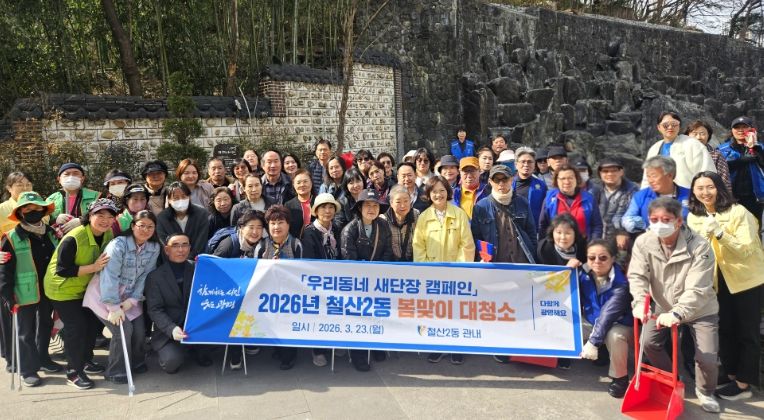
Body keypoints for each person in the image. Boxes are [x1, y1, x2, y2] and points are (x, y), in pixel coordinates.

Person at [629, 197, 720, 413]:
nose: (659, 224)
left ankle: (705, 391)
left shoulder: (699, 245)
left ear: (679, 221)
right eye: (654, 220)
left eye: (666, 219)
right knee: (648, 343)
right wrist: (640, 302)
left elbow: (698, 287)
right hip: (662, 304)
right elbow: (637, 275)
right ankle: (671, 379)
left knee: (707, 357)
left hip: (700, 308)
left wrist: (678, 313)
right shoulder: (643, 242)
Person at [686, 171, 764, 401]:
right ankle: (731, 373)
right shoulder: (694, 217)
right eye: (700, 188)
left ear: (719, 188)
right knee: (725, 329)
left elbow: (747, 248)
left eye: (710, 187)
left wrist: (721, 234)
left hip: (746, 279)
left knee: (747, 332)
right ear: (693, 192)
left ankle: (744, 384)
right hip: (716, 281)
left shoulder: (738, 212)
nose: (705, 192)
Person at [44, 198, 118, 390]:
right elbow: (62, 270)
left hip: (85, 288)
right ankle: (73, 372)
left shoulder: (108, 233)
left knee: (92, 325)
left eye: (110, 216)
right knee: (76, 328)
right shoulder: (74, 237)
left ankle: (85, 360)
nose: (105, 220)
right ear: (89, 216)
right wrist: (94, 267)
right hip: (62, 289)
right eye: (100, 215)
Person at [82, 210, 160, 384]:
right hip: (104, 295)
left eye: (150, 227)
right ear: (132, 226)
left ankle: (136, 362)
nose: (145, 230)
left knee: (139, 331)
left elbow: (146, 275)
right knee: (123, 330)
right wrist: (113, 307)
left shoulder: (154, 247)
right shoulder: (118, 245)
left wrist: (133, 300)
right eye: (141, 225)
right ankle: (116, 370)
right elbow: (109, 276)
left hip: (130, 296)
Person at [0, 192, 62, 386]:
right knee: (25, 331)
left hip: (48, 289)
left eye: (37, 208)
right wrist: (8, 296)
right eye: (27, 209)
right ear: (20, 213)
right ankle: (28, 369)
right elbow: (4, 271)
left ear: (43, 210)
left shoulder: (51, 233)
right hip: (23, 291)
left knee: (45, 325)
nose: (33, 211)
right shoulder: (11, 237)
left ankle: (43, 358)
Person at [413, 176, 475, 365]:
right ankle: (437, 346)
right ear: (428, 194)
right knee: (435, 312)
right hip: (432, 275)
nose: (438, 194)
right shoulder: (424, 217)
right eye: (434, 191)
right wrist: (427, 270)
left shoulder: (459, 214)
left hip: (456, 274)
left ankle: (457, 347)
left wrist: (458, 269)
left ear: (448, 192)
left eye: (442, 190)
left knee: (456, 311)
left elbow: (467, 245)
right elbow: (418, 246)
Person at [340, 189, 393, 371]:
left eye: (375, 205)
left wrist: (378, 271)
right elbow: (349, 258)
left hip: (377, 280)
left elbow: (388, 251)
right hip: (357, 282)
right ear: (359, 208)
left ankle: (376, 345)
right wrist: (365, 274)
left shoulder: (383, 226)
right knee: (359, 317)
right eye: (367, 205)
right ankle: (358, 354)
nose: (372, 209)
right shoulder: (350, 229)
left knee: (377, 314)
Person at [145, 233, 213, 373]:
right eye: (175, 246)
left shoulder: (199, 269)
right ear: (167, 250)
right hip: (171, 329)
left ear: (189, 248)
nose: (181, 250)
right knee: (171, 363)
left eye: (184, 245)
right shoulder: (155, 277)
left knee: (212, 348)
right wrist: (171, 328)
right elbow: (155, 309)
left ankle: (195, 348)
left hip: (197, 326)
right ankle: (174, 350)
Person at [578, 239, 633, 398]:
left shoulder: (621, 284)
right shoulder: (582, 273)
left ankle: (620, 378)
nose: (596, 261)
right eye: (591, 257)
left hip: (618, 323)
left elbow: (607, 316)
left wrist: (593, 342)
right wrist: (568, 268)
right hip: (594, 321)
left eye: (603, 258)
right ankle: (600, 350)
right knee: (570, 325)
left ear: (613, 258)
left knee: (614, 335)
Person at [255, 205, 303, 370]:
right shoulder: (262, 246)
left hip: (290, 296)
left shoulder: (296, 244)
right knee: (273, 323)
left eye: (281, 222)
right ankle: (277, 349)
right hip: (268, 296)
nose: (276, 227)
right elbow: (255, 272)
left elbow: (302, 272)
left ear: (288, 224)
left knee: (287, 324)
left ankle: (289, 357)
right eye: (273, 223)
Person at [300, 194, 341, 368]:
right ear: (315, 211)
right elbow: (309, 261)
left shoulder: (337, 228)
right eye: (323, 207)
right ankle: (318, 350)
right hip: (318, 281)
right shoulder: (309, 232)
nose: (327, 211)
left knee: (335, 313)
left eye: (331, 207)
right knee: (319, 315)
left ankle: (335, 343)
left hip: (337, 279)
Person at [472, 165, 537, 264]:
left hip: (522, 262)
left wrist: (533, 254)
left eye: (505, 179)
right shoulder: (481, 207)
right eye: (496, 180)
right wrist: (482, 259)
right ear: (490, 181)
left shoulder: (522, 202)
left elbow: (531, 233)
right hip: (494, 264)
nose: (501, 183)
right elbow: (476, 237)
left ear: (511, 180)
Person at [642, 111, 715, 189]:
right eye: (666, 125)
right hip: (658, 194)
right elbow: (647, 178)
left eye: (674, 124)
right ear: (659, 127)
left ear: (679, 126)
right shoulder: (654, 149)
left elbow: (707, 172)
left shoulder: (693, 144)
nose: (670, 127)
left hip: (687, 193)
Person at [622, 156, 690, 234]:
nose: (650, 181)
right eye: (648, 176)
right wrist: (647, 225)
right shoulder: (641, 196)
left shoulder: (689, 195)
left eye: (654, 176)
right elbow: (627, 218)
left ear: (670, 175)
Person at [717, 116, 764, 227]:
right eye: (737, 127)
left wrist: (754, 147)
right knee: (732, 227)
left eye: (744, 127)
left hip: (755, 196)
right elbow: (719, 168)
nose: (741, 130)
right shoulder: (722, 149)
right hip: (731, 195)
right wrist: (741, 160)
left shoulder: (760, 147)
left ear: (752, 129)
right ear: (732, 130)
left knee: (755, 226)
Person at [539, 164, 603, 240]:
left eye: (570, 178)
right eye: (563, 178)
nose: (567, 182)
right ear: (557, 181)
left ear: (576, 179)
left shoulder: (589, 198)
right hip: (557, 244)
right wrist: (546, 244)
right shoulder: (550, 198)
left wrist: (593, 244)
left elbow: (597, 225)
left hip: (583, 244)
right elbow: (543, 225)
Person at [593, 158, 638, 257]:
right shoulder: (595, 189)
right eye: (605, 171)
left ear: (621, 172)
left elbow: (636, 216)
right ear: (599, 173)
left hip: (623, 241)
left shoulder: (633, 191)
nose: (609, 174)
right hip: (598, 238)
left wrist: (623, 232)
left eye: (614, 170)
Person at [156, 182, 210, 258]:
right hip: (171, 259)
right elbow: (164, 243)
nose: (180, 200)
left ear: (189, 197)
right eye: (176, 198)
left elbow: (201, 240)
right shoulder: (162, 218)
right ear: (169, 200)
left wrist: (190, 258)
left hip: (196, 258)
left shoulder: (202, 214)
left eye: (184, 196)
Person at [47, 162, 101, 235]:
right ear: (59, 179)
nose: (71, 177)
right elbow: (42, 223)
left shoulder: (96, 196)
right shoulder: (50, 200)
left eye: (76, 173)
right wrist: (55, 220)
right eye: (67, 174)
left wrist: (82, 220)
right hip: (59, 241)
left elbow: (104, 216)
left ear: (82, 178)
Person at [685, 120, 732, 192]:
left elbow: (724, 181)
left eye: (702, 134)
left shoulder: (716, 155)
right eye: (694, 134)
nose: (698, 137)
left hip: (709, 194)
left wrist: (725, 197)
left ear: (708, 135)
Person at [380, 185, 419, 262]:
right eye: (398, 202)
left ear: (410, 201)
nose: (403, 205)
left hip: (413, 263)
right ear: (391, 203)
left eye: (406, 201)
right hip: (391, 264)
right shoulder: (383, 220)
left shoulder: (416, 215)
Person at [512, 147, 547, 228]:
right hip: (513, 229)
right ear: (516, 165)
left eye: (529, 162)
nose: (526, 165)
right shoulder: (509, 184)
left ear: (534, 165)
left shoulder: (541, 186)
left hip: (535, 229)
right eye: (523, 161)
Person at [284, 169, 314, 238]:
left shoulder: (318, 202)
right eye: (298, 182)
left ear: (311, 183)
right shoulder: (288, 206)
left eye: (305, 181)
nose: (302, 185)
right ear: (293, 185)